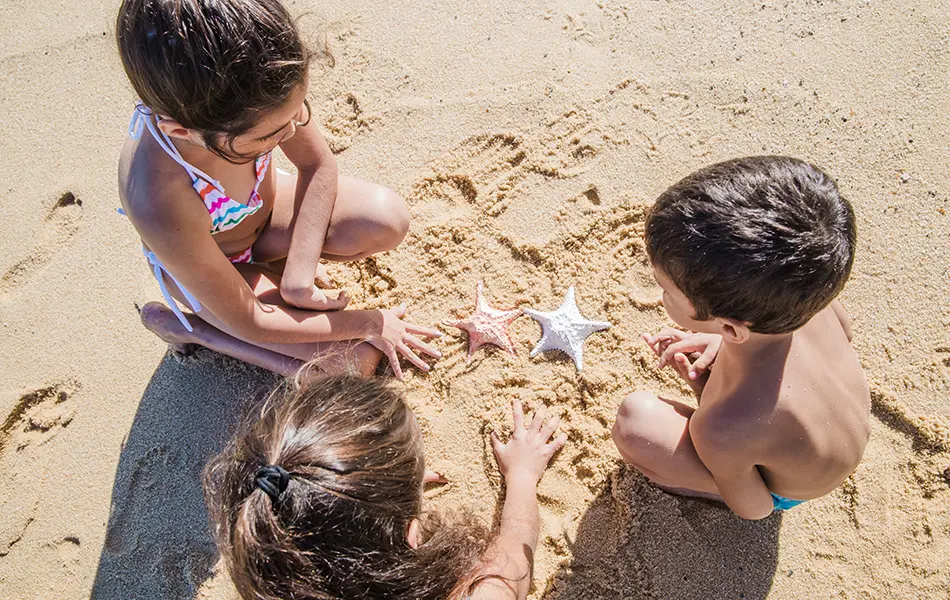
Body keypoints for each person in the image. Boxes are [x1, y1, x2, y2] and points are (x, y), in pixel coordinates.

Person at [116, 0, 440, 378]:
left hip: (267, 217)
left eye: (297, 113)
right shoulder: (158, 198)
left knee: (387, 219)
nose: (291, 133)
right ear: (182, 132)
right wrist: (368, 322)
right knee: (353, 365)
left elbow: (317, 163)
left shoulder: (258, 86)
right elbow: (252, 320)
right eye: (269, 137)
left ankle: (276, 272)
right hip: (218, 269)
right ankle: (199, 331)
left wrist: (300, 277)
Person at [612, 156, 871, 519]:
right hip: (828, 446)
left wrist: (722, 444)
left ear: (733, 328)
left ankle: (711, 481)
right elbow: (832, 344)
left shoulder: (722, 428)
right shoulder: (811, 300)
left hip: (781, 491)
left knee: (636, 423)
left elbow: (755, 509)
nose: (661, 296)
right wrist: (721, 344)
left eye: (665, 290)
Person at [204, 374, 567, 599]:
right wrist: (521, 475)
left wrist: (364, 494)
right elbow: (513, 563)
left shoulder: (268, 571)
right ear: (411, 533)